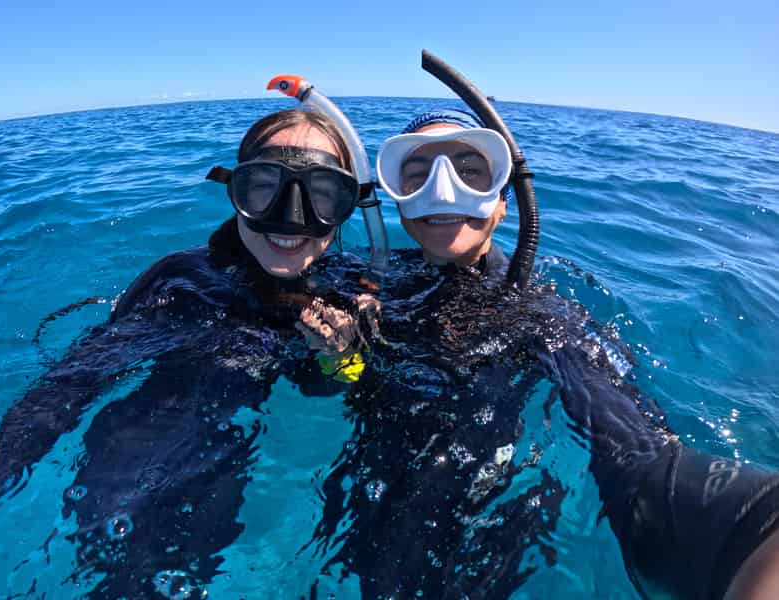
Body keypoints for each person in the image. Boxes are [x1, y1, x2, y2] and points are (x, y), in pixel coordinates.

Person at [0, 107, 382, 598]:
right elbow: (69, 386)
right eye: (264, 188)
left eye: (320, 194)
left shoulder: (350, 291)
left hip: (226, 457)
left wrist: (341, 356)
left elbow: (323, 389)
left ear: (345, 208)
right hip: (132, 456)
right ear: (235, 191)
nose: (291, 220)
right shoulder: (183, 282)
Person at [302, 100, 779, 599]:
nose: (443, 190)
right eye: (417, 174)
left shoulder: (540, 313)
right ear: (399, 200)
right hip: (366, 499)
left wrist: (746, 525)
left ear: (503, 200)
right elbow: (329, 383)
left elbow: (631, 446)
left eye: (470, 171)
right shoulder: (369, 283)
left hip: (488, 516)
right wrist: (340, 358)